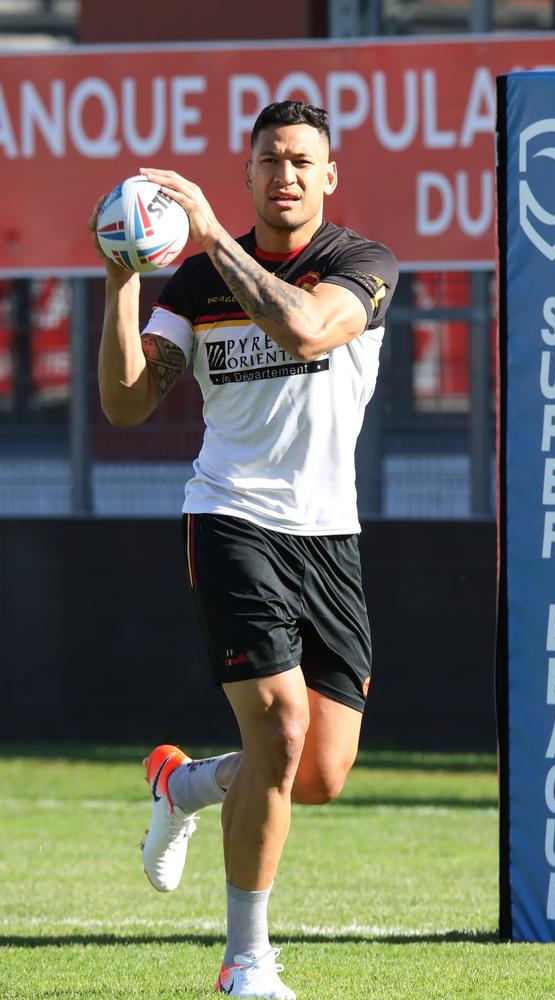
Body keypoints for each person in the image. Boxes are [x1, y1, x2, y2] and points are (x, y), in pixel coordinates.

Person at [90, 100, 398, 999]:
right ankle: (246, 963)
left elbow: (304, 328)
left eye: (303, 160)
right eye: (270, 159)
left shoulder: (359, 264)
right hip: (231, 517)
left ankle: (185, 787)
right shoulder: (189, 286)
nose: (286, 174)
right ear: (249, 170)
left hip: (329, 535)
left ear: (330, 175)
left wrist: (211, 233)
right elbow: (127, 405)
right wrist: (121, 282)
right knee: (280, 726)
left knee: (320, 775)